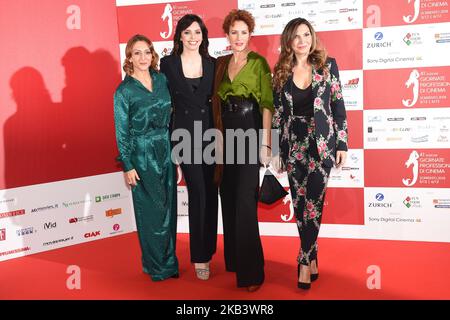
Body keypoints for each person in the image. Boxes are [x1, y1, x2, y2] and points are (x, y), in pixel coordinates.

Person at [271, 18, 348, 289]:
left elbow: (338, 107)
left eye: (306, 35)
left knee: (314, 205)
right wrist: (276, 150)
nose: (303, 40)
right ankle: (313, 256)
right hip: (293, 146)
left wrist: (342, 144)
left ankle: (303, 261)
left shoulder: (328, 67)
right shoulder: (280, 71)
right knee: (300, 206)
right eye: (297, 36)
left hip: (321, 144)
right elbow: (277, 115)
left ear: (312, 38)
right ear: (289, 41)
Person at [211, 9, 274, 292]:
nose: (238, 37)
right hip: (224, 134)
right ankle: (235, 260)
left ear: (250, 35)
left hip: (249, 130)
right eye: (233, 32)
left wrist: (266, 143)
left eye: (243, 32)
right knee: (229, 197)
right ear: (227, 35)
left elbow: (267, 105)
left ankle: (252, 272)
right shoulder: (221, 64)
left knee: (246, 202)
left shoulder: (259, 63)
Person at [113, 34, 179, 281]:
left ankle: (169, 262)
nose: (143, 57)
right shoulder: (124, 91)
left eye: (147, 52)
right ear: (129, 57)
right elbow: (121, 131)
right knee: (151, 212)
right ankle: (156, 266)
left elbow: (171, 119)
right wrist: (127, 165)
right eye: (137, 53)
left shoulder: (161, 80)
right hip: (141, 153)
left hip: (165, 148)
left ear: (153, 55)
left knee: (168, 208)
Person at [160, 14, 218, 281]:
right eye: (188, 32)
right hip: (183, 136)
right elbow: (161, 102)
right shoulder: (168, 64)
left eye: (198, 32)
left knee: (210, 191)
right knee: (197, 191)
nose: (193, 37)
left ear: (203, 36)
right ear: (179, 36)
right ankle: (200, 257)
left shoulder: (213, 64)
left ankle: (209, 249)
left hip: (211, 136)